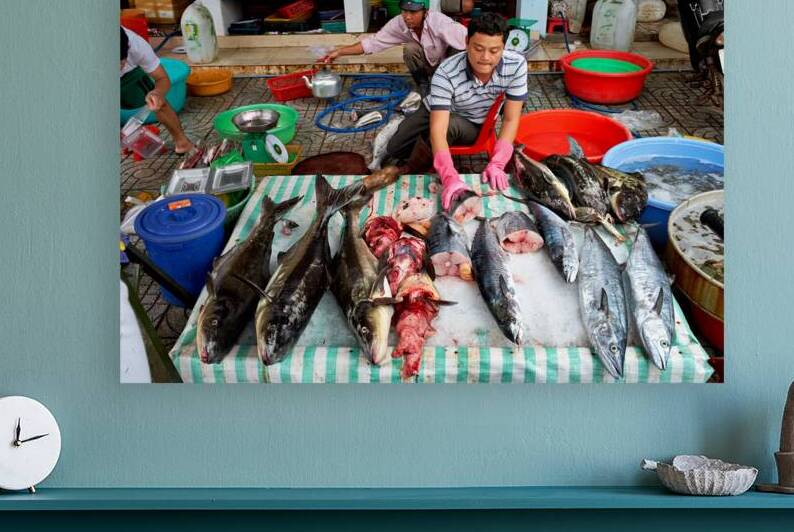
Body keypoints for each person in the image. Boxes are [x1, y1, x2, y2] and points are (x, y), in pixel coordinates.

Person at [385, 13, 528, 210]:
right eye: (478, 48)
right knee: (394, 148)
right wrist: (450, 177)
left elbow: (511, 119)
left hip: (471, 121)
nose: (485, 58)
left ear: (504, 47)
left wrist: (498, 162)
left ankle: (419, 164)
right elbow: (437, 127)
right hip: (434, 107)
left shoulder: (517, 65)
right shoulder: (446, 71)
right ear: (467, 42)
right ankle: (417, 143)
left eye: (494, 51)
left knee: (448, 127)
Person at [319, 0, 466, 96]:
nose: (407, 17)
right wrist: (339, 51)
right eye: (404, 11)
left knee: (459, 50)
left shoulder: (439, 21)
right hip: (429, 64)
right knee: (410, 49)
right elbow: (372, 43)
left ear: (425, 11)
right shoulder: (398, 23)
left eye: (413, 12)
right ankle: (424, 85)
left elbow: (468, 40)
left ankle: (454, 85)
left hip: (446, 64)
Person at [120, 27, 193, 154]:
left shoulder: (137, 45)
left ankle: (183, 143)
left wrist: (157, 93)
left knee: (157, 101)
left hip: (129, 76)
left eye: (119, 64)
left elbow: (162, 78)